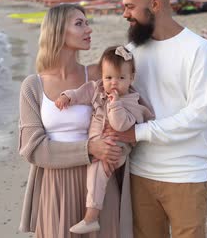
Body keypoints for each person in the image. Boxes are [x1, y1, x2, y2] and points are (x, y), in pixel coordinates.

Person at [114, 0, 207, 238]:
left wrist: (138, 133)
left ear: (156, 5)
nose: (124, 14)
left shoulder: (197, 48)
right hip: (139, 173)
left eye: (130, 6)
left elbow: (198, 116)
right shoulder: (132, 51)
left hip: (185, 175)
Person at [18, 4, 131, 237]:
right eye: (79, 23)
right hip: (55, 186)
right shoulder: (33, 86)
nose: (88, 29)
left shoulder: (99, 75)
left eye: (87, 22)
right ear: (58, 31)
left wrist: (118, 147)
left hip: (99, 184)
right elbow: (34, 149)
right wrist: (89, 148)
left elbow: (130, 110)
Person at [54, 45, 154, 234]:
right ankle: (91, 215)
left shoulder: (131, 101)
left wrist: (115, 104)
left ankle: (91, 217)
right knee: (93, 175)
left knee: (97, 173)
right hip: (99, 143)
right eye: (109, 77)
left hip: (116, 148)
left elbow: (121, 125)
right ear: (102, 76)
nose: (113, 83)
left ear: (131, 78)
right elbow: (81, 92)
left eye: (121, 78)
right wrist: (68, 96)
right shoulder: (98, 88)